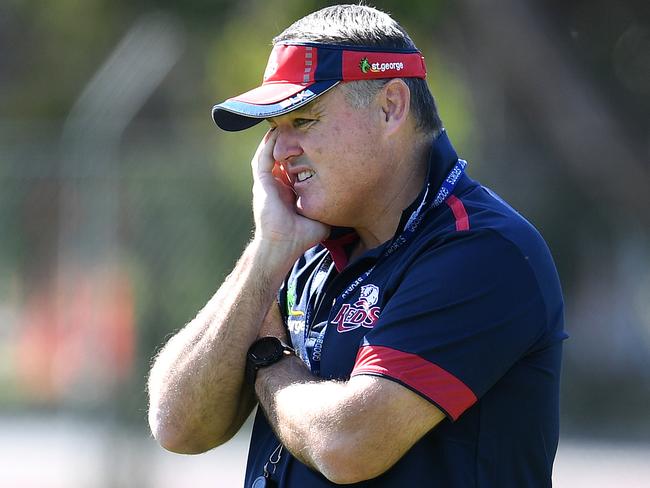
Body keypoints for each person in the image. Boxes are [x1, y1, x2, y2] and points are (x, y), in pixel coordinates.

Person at [147, 4, 567, 487]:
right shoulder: (301, 252)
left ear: (390, 105)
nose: (280, 153)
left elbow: (347, 445)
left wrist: (270, 361)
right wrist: (265, 254)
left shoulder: (485, 250)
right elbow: (177, 424)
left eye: (303, 121)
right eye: (273, 130)